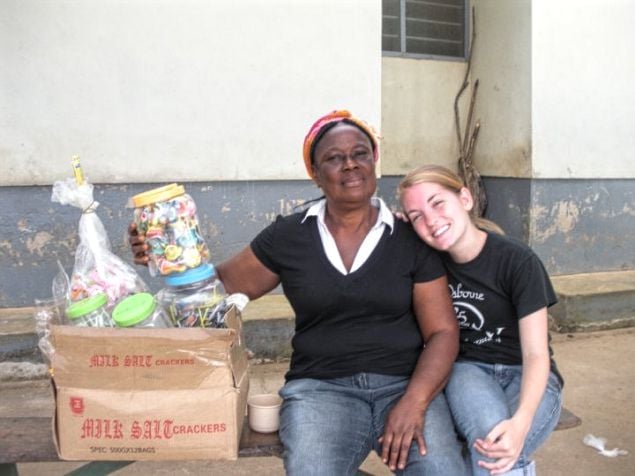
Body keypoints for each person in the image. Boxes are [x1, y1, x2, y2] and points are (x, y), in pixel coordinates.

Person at [129, 111, 467, 475]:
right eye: (334, 158)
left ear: (374, 161)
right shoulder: (290, 236)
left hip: (404, 385)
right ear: (316, 175)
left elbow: (443, 332)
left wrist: (415, 401)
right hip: (321, 391)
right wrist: (164, 252)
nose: (350, 165)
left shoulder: (409, 237)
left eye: (360, 153)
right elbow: (215, 290)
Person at [398, 164, 564, 476]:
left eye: (438, 203)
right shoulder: (427, 263)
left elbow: (536, 354)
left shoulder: (517, 260)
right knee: (491, 442)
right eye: (417, 215)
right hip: (468, 370)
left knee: (504, 445)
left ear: (465, 198)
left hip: (527, 373)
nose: (431, 220)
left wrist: (521, 422)